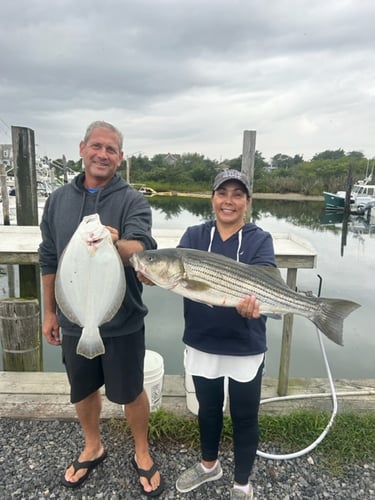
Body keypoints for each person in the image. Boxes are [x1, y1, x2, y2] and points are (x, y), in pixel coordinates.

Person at [39, 121, 164, 497]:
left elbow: (142, 248)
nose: (103, 154)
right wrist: (49, 312)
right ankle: (93, 446)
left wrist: (115, 241)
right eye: (97, 146)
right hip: (75, 317)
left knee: (130, 391)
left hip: (122, 319)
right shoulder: (58, 199)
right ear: (82, 148)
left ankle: (141, 450)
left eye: (111, 149)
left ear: (121, 157)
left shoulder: (132, 200)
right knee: (82, 390)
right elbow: (48, 258)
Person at [175, 170, 276, 499]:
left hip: (246, 344)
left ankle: (242, 483)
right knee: (207, 409)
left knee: (246, 416)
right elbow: (174, 278)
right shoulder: (193, 236)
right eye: (222, 193)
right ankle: (209, 466)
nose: (228, 201)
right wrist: (149, 271)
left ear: (247, 201)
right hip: (202, 341)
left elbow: (268, 286)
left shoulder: (260, 239)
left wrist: (254, 304)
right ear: (212, 198)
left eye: (237, 194)